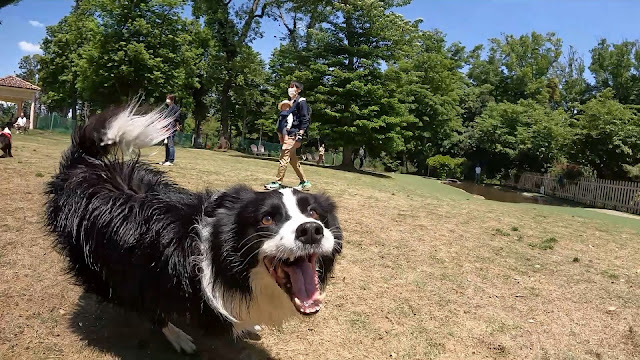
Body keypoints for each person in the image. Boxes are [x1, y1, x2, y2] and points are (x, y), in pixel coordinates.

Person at [264, 81, 312, 191]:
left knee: (284, 156)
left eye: (292, 87)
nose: (290, 89)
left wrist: (301, 133)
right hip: (288, 134)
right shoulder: (290, 103)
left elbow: (305, 119)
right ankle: (304, 182)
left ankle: (277, 182)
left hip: (294, 134)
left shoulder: (301, 102)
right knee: (292, 159)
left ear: (298, 90)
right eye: (289, 87)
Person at [161, 94, 181, 166]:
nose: (167, 100)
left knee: (170, 144)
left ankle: (171, 160)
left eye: (168, 99)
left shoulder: (175, 108)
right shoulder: (169, 108)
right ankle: (166, 159)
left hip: (171, 127)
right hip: (167, 127)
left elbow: (177, 118)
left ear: (172, 100)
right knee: (167, 144)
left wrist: (177, 125)